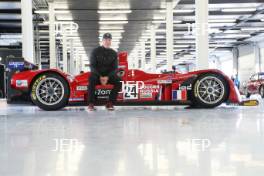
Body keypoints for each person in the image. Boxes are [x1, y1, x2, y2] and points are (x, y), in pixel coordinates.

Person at [88, 33, 122, 111]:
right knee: (91, 79)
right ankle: (91, 103)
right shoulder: (95, 51)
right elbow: (92, 66)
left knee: (119, 81)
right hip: (97, 75)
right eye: (106, 40)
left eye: (109, 40)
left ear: (111, 41)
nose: (107, 41)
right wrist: (100, 76)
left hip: (109, 76)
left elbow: (115, 68)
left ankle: (110, 103)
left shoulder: (114, 53)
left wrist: (107, 77)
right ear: (102, 41)